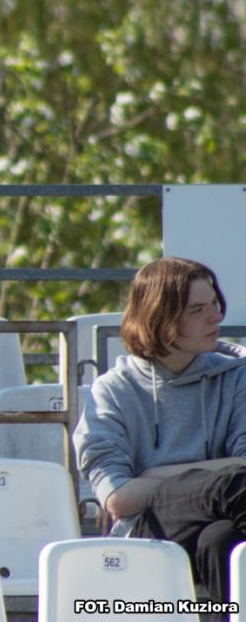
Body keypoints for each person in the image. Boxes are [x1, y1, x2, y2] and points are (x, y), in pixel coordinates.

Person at [74, 257, 246, 604]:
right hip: (149, 531)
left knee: (222, 541)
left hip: (225, 519)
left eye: (215, 304)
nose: (215, 317)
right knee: (230, 484)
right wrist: (217, 479)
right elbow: (118, 497)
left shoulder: (236, 375)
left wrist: (154, 474)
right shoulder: (112, 390)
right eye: (197, 310)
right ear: (160, 318)